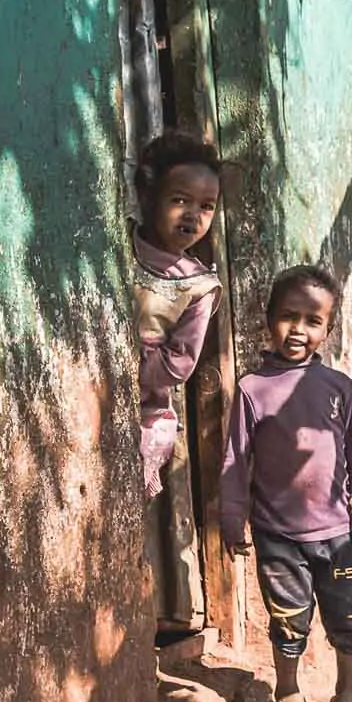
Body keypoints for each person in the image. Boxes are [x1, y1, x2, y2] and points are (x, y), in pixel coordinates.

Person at [220, 266, 352, 702]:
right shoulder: (253, 390)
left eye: (313, 321)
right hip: (278, 535)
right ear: (269, 319)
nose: (299, 330)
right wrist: (233, 521)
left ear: (327, 329)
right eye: (288, 317)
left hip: (338, 535)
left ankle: (347, 690)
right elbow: (236, 461)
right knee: (289, 619)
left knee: (348, 617)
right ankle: (288, 689)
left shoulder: (339, 388)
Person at [133, 132, 223, 637]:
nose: (193, 216)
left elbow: (180, 363)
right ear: (148, 193)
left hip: (148, 410)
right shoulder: (120, 250)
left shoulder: (197, 286)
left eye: (206, 207)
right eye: (180, 200)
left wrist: (128, 369)